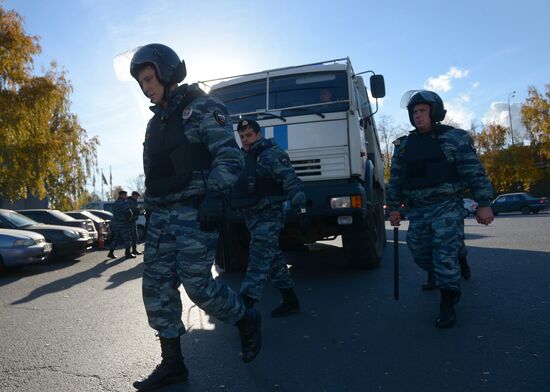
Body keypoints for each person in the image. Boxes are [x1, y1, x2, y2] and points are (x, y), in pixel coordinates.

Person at [128, 43, 261, 391]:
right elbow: (154, 173)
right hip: (161, 218)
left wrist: (216, 196)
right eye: (141, 83)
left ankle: (245, 318)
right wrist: (147, 213)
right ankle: (173, 364)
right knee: (155, 289)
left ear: (167, 70)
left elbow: (230, 157)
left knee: (197, 285)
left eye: (148, 78)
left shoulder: (203, 107)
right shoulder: (154, 123)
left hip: (195, 211)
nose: (146, 87)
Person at [387, 90, 494, 328]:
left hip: (447, 205)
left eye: (423, 111)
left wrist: (484, 203)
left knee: (444, 253)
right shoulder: (403, 146)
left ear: (434, 112)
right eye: (414, 112)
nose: (418, 116)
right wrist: (393, 208)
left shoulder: (454, 139)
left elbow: (473, 171)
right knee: (418, 249)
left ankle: (447, 303)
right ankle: (457, 257)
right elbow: (395, 179)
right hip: (418, 209)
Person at [232, 119, 309, 317]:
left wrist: (301, 210)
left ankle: (244, 308)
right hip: (252, 216)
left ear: (258, 134)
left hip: (269, 215)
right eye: (242, 136)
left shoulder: (271, 154)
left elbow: (291, 181)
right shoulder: (245, 157)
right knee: (274, 261)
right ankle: (291, 301)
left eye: (249, 135)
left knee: (258, 257)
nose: (245, 140)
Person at [107, 190, 136, 259]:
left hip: (116, 223)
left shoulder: (115, 203)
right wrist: (131, 216)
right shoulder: (123, 203)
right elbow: (128, 212)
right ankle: (128, 253)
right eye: (125, 195)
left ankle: (111, 252)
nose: (126, 196)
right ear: (122, 195)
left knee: (116, 238)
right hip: (123, 223)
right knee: (127, 238)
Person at [127, 191, 143, 255]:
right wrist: (139, 211)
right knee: (131, 237)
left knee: (134, 236)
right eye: (137, 196)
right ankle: (129, 252)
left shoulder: (132, 201)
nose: (137, 198)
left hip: (132, 221)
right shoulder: (131, 201)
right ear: (134, 195)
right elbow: (132, 211)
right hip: (130, 221)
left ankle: (133, 250)